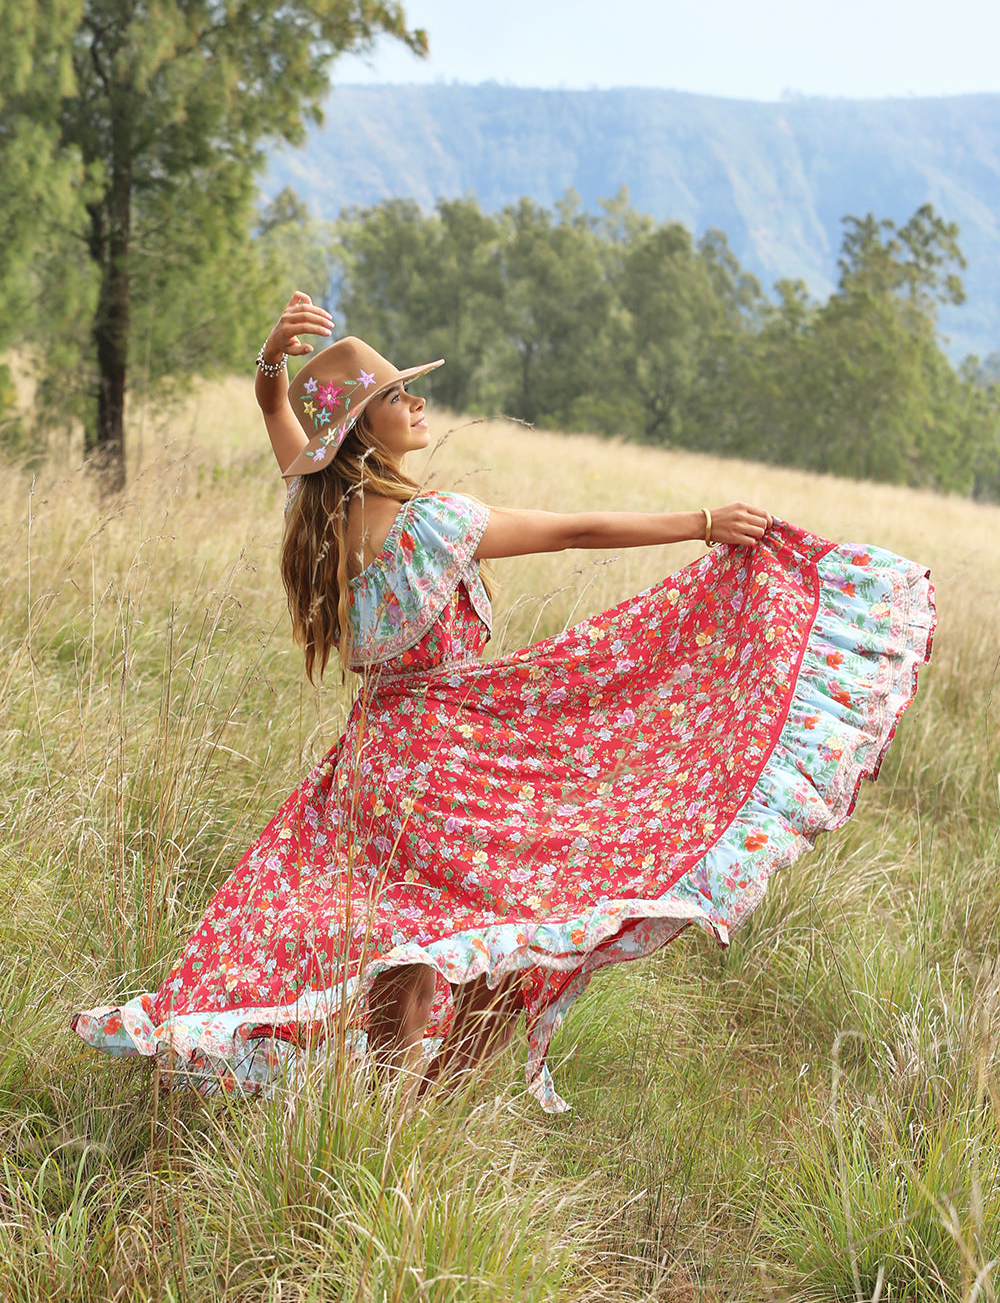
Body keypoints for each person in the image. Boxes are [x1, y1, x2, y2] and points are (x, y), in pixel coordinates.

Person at [73, 293, 936, 1112]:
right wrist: (701, 520)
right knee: (491, 939)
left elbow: (281, 423)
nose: (416, 405)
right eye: (396, 396)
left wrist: (272, 362)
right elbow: (574, 529)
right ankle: (408, 1114)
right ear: (364, 429)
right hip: (447, 762)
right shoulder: (433, 525)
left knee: (418, 951)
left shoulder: (320, 511)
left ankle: (377, 1117)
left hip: (373, 759)